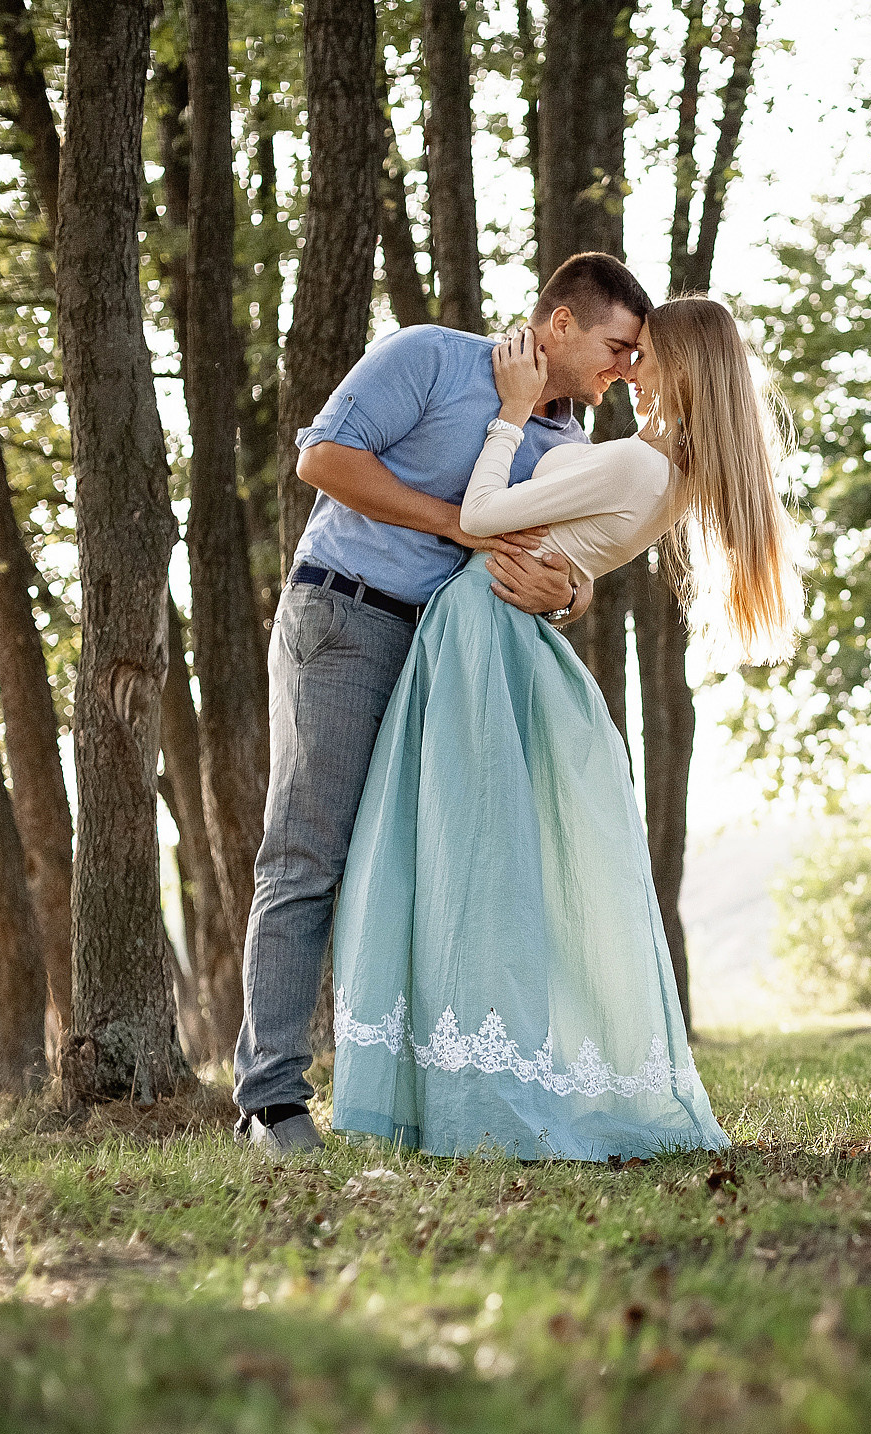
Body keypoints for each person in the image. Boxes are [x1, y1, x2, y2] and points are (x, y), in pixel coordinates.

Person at [326, 294, 800, 1161]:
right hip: (506, 634)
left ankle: (472, 1089)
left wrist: (509, 415)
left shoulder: (632, 464)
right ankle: (459, 1077)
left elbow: (477, 520)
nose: (630, 369)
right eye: (625, 349)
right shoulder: (665, 471)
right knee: (482, 858)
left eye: (645, 354)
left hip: (484, 630)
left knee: (459, 858)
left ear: (682, 368)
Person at [233, 252, 651, 1157]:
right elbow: (323, 460)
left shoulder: (571, 447)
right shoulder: (431, 356)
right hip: (343, 617)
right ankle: (270, 1102)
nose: (625, 370)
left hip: (446, 661)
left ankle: (399, 1092)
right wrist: (457, 520)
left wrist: (566, 599)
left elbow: (567, 569)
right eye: (618, 347)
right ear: (562, 323)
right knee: (307, 852)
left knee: (417, 872)